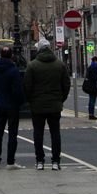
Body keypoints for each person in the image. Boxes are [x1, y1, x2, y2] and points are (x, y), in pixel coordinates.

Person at [24, 39, 71, 171]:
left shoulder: (33, 65)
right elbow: (66, 84)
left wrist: (31, 100)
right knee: (55, 133)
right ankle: (56, 160)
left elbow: (27, 85)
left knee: (38, 133)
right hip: (55, 104)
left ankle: (40, 160)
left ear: (39, 50)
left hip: (37, 105)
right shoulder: (60, 65)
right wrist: (61, 99)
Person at [0, 46, 26, 169]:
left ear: (1, 56)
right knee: (12, 134)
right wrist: (21, 102)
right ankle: (10, 162)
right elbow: (17, 90)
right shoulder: (13, 71)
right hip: (12, 106)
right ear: (12, 56)